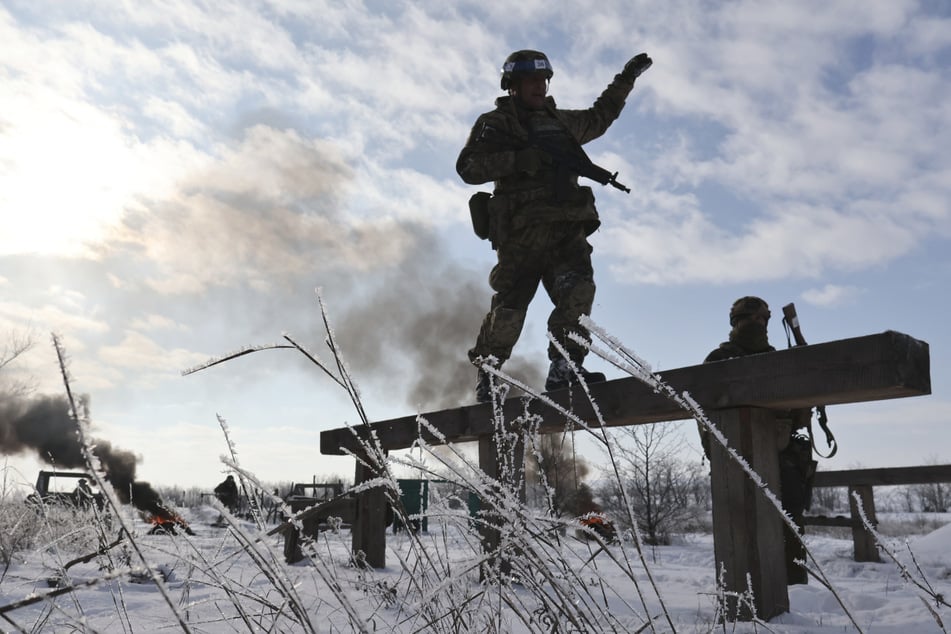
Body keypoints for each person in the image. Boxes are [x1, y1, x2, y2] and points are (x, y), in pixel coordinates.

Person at [457, 49, 653, 402]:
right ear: (512, 85)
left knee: (578, 292)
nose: (539, 86)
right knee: (510, 308)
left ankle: (566, 367)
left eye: (542, 80)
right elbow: (468, 167)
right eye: (530, 80)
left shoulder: (561, 124)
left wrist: (626, 79)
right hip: (521, 233)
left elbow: (601, 116)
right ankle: (489, 376)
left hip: (566, 228)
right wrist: (519, 160)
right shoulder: (496, 124)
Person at [700, 296, 817, 585]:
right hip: (736, 459)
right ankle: (745, 595)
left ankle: (795, 591)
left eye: (763, 320)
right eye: (750, 319)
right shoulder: (719, 359)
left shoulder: (777, 360)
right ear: (735, 323)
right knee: (742, 534)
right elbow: (704, 414)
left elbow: (798, 413)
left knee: (789, 530)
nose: (758, 324)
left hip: (782, 459)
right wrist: (720, 455)